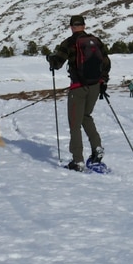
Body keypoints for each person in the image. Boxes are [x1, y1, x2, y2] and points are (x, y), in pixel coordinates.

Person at [48, 14, 111, 171]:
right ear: (84, 25)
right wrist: (103, 81)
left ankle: (78, 161)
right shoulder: (95, 41)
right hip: (95, 86)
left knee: (75, 124)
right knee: (86, 116)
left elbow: (57, 63)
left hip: (78, 87)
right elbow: (106, 62)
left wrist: (50, 59)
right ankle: (97, 148)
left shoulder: (69, 43)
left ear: (71, 27)